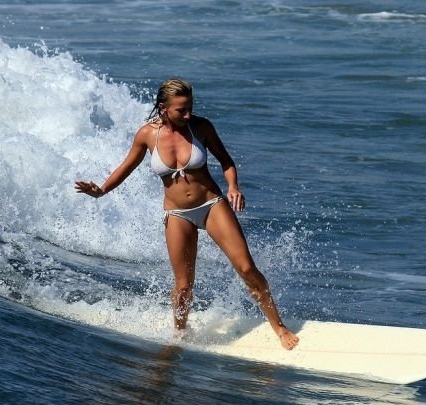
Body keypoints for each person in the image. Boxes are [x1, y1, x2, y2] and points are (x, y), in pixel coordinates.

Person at [75, 78, 299, 350]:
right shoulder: (147, 135)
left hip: (212, 204)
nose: (187, 114)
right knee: (183, 286)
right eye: (181, 109)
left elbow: (226, 161)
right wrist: (101, 190)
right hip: (177, 213)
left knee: (246, 268)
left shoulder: (200, 127)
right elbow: (126, 167)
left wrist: (233, 187)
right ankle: (180, 333)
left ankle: (279, 325)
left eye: (190, 107)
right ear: (163, 107)